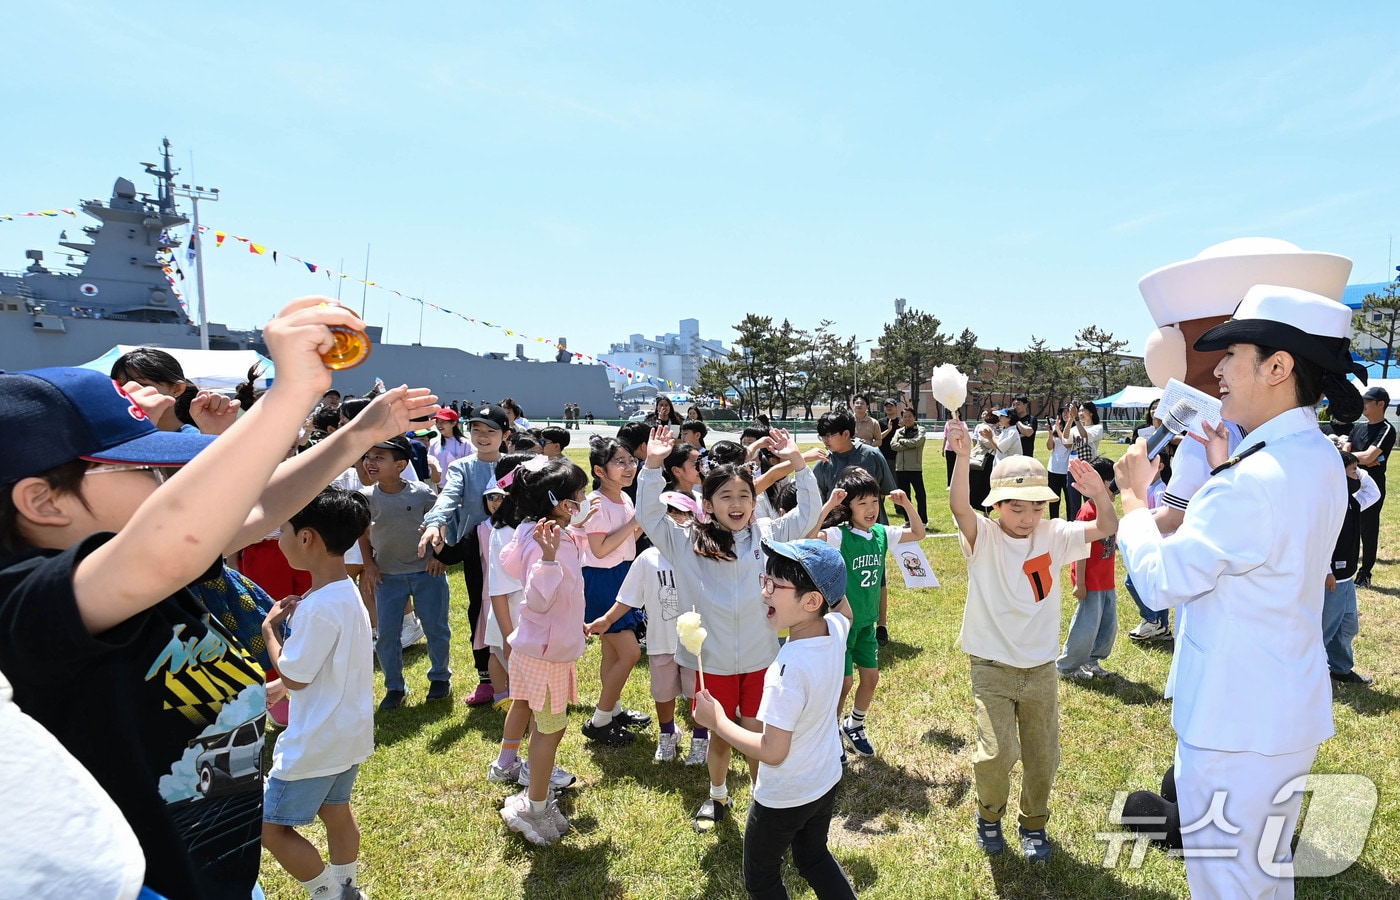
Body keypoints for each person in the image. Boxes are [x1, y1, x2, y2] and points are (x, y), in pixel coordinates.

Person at [0, 298, 435, 900]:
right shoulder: (23, 604)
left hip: (225, 874)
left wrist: (358, 433)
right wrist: (290, 394)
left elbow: (260, 506)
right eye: (141, 469)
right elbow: (168, 544)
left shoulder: (151, 569)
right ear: (42, 501)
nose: (163, 481)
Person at [1114, 284, 1364, 897]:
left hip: (1233, 723)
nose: (1218, 371)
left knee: (1227, 883)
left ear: (1278, 368)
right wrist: (1226, 463)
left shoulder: (1252, 482)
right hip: (1280, 711)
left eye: (1232, 356)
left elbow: (1162, 581)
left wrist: (1132, 502)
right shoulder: (1314, 455)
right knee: (1264, 875)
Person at [945, 422, 1116, 862]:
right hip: (991, 666)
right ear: (997, 505)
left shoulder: (1053, 534)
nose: (1027, 518)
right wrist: (962, 457)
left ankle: (1034, 823)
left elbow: (1106, 526)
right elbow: (959, 507)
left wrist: (1099, 494)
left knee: (1043, 756)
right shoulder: (983, 536)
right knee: (995, 753)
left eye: (1036, 507)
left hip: (1040, 668)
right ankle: (989, 815)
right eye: (1016, 508)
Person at [637, 426, 820, 831]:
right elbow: (647, 515)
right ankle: (718, 795)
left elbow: (808, 513)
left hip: (761, 659)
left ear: (754, 501)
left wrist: (797, 462)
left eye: (744, 496)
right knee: (719, 735)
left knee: (756, 733)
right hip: (712, 662)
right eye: (725, 496)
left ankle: (761, 800)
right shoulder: (686, 541)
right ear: (708, 503)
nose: (736, 504)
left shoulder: (769, 535)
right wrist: (651, 465)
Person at [692, 538, 858, 900]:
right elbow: (846, 612)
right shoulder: (834, 630)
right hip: (825, 780)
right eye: (764, 580)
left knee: (762, 880)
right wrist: (831, 579)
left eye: (774, 585)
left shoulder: (786, 671)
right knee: (814, 857)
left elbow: (772, 750)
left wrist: (718, 721)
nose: (764, 592)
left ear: (811, 601)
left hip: (784, 798)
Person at [261, 486, 375, 900]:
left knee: (269, 828)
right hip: (348, 734)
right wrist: (282, 686)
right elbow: (329, 663)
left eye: (283, 530)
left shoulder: (317, 606)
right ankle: (348, 888)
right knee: (335, 811)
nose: (279, 538)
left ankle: (330, 895)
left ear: (306, 537)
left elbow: (296, 677)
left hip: (316, 739)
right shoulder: (344, 592)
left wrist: (270, 630)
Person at [496, 456, 591, 845]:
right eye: (577, 495)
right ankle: (534, 807)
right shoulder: (546, 541)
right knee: (550, 730)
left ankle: (535, 796)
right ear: (558, 501)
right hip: (546, 653)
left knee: (547, 727)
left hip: (544, 648)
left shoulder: (536, 531)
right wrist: (550, 559)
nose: (582, 500)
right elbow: (538, 600)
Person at [588, 490, 706, 764]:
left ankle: (701, 738)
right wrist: (607, 620)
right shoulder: (647, 559)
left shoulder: (703, 555)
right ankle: (667, 734)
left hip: (695, 646)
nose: (673, 521)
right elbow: (628, 597)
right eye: (665, 516)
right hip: (660, 642)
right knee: (663, 693)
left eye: (681, 515)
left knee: (696, 694)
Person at [816, 469, 925, 758]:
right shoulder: (839, 536)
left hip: (866, 624)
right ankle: (830, 732)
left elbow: (919, 533)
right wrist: (828, 506)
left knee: (871, 678)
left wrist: (906, 504)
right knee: (844, 683)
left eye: (875, 501)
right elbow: (809, 537)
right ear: (848, 506)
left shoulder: (880, 533)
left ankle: (854, 725)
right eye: (862, 503)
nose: (871, 508)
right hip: (841, 625)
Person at [419, 403, 512, 706]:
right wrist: (435, 522)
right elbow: (448, 496)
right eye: (476, 430)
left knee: (515, 608)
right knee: (479, 611)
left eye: (490, 431)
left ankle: (518, 672)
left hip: (513, 550)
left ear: (505, 435)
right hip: (476, 550)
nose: (482, 436)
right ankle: (486, 678)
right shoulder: (462, 467)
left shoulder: (514, 466)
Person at [358, 435, 453, 710]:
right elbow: (362, 534)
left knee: (436, 628)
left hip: (426, 573)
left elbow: (442, 523)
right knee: (387, 634)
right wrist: (369, 565)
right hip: (387, 577)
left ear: (400, 465)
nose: (370, 462)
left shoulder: (422, 493)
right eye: (368, 457)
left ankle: (440, 677)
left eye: (379, 457)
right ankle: (394, 687)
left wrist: (438, 555)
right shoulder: (367, 498)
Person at [579, 437, 650, 746]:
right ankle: (600, 720)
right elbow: (600, 548)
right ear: (599, 470)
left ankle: (614, 709)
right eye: (620, 462)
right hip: (602, 579)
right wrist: (635, 521)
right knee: (630, 652)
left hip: (622, 574)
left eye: (631, 460)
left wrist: (644, 521)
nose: (629, 467)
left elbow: (628, 539)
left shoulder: (623, 497)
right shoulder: (595, 503)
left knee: (612, 652)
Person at [1056, 456, 1121, 680]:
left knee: (1107, 624)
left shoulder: (1107, 509)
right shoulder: (1088, 512)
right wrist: (1080, 583)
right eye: (1114, 483)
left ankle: (1092, 660)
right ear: (1100, 484)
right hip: (1091, 581)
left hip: (1106, 581)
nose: (1117, 489)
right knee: (1087, 624)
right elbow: (1080, 550)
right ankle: (1067, 666)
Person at [1325, 449, 1381, 686]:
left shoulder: (1352, 502)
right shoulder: (1327, 505)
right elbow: (1318, 541)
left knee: (1347, 625)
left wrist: (1356, 467)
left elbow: (1373, 493)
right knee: (1324, 629)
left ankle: (1340, 669)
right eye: (1353, 473)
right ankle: (1311, 675)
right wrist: (1326, 570)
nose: (1357, 477)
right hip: (1331, 578)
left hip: (1347, 578)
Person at [110, 346, 240, 436]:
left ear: (177, 389)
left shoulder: (196, 439)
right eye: (120, 386)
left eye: (142, 385)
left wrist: (216, 435)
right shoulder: (112, 437)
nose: (129, 392)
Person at [1347, 385, 1394, 587]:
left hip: (1371, 487)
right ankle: (1345, 568)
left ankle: (1365, 573)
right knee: (1347, 527)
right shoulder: (1359, 427)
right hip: (1350, 483)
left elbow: (1368, 456)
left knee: (1368, 529)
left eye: (1368, 401)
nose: (1363, 404)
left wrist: (1358, 457)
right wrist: (1362, 458)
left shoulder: (1386, 429)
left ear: (1380, 404)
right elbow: (1351, 452)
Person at [1061, 402, 1102, 520]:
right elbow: (1065, 439)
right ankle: (1074, 525)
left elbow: (1084, 436)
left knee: (1089, 501)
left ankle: (1092, 524)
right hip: (1073, 469)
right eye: (1079, 411)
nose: (1081, 413)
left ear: (1091, 413)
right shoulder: (1074, 428)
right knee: (1073, 503)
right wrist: (1070, 420)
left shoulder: (1097, 428)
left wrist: (1076, 419)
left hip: (1088, 469)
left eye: (1084, 410)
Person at [889, 406, 928, 525]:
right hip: (900, 468)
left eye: (910, 416)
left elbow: (917, 442)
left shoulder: (920, 430)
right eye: (905, 416)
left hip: (915, 468)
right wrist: (908, 445)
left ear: (914, 417)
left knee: (920, 495)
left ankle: (923, 521)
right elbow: (893, 445)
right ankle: (908, 520)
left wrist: (902, 441)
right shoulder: (899, 431)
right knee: (904, 496)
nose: (907, 419)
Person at [426, 409, 473, 490]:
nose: (439, 425)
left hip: (459, 488)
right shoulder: (435, 445)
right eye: (437, 422)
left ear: (453, 423)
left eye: (443, 422)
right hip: (439, 488)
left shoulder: (464, 443)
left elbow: (470, 468)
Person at [1044, 404, 1073, 519]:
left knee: (1070, 500)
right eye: (1063, 411)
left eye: (1068, 411)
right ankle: (1053, 522)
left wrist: (1057, 429)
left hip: (1068, 470)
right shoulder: (1057, 427)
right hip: (1054, 469)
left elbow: (1067, 444)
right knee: (1054, 500)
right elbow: (1049, 447)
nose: (1065, 414)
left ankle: (1070, 522)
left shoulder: (1074, 429)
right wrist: (1051, 433)